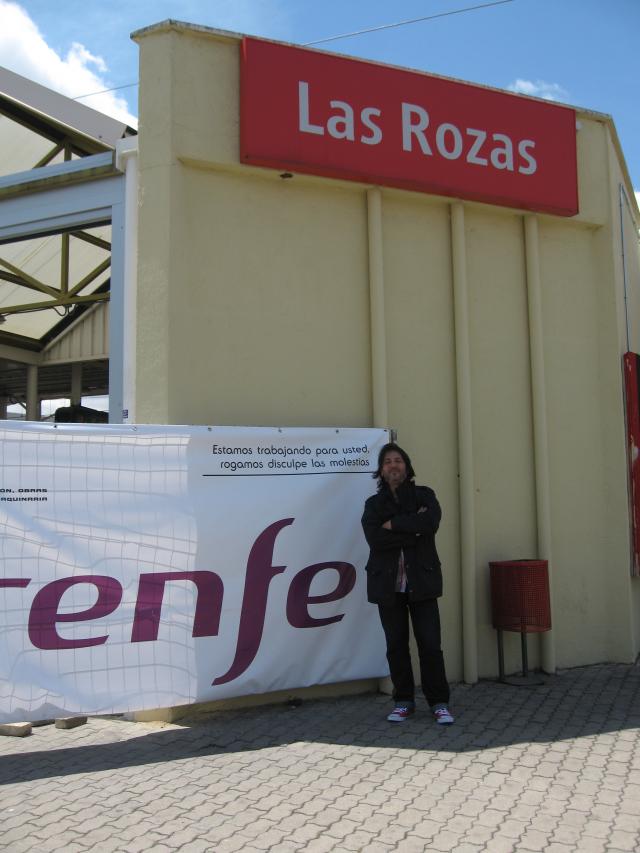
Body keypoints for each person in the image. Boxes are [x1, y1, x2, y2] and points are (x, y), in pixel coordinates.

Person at [361, 442, 454, 724]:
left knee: (430, 644)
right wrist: (412, 529)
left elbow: (431, 523)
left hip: (422, 583)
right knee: (396, 645)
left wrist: (394, 525)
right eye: (387, 461)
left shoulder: (425, 495)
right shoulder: (373, 505)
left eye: (398, 460)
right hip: (388, 586)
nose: (393, 465)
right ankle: (403, 700)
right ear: (381, 470)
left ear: (407, 466)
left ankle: (438, 702)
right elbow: (375, 539)